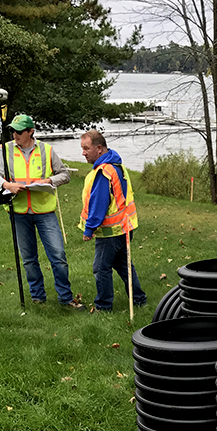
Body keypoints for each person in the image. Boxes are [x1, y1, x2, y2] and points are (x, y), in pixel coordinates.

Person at [0, 113, 85, 309]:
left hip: (44, 212)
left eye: (19, 131)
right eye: (12, 131)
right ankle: (38, 297)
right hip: (19, 211)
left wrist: (49, 181)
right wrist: (7, 184)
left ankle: (66, 298)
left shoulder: (46, 150)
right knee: (29, 258)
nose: (15, 135)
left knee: (58, 256)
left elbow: (64, 175)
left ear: (30, 131)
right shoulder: (5, 150)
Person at [79, 129, 148, 312]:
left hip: (110, 232)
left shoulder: (104, 172)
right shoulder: (117, 165)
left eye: (86, 148)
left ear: (99, 148)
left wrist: (89, 228)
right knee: (124, 266)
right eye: (82, 149)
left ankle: (103, 307)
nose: (83, 153)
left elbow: (99, 204)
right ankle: (139, 300)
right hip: (124, 228)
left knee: (101, 268)